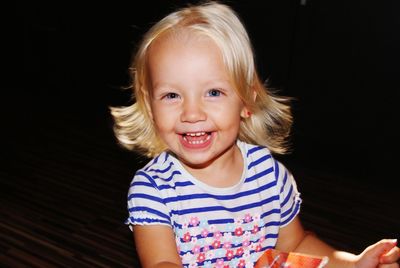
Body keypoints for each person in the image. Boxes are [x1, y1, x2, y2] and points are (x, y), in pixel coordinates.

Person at [110, 1, 399, 267]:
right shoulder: (154, 190)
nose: (192, 113)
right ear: (149, 106)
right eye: (172, 95)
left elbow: (296, 243)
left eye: (213, 92)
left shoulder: (269, 176)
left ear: (246, 101)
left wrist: (353, 264)